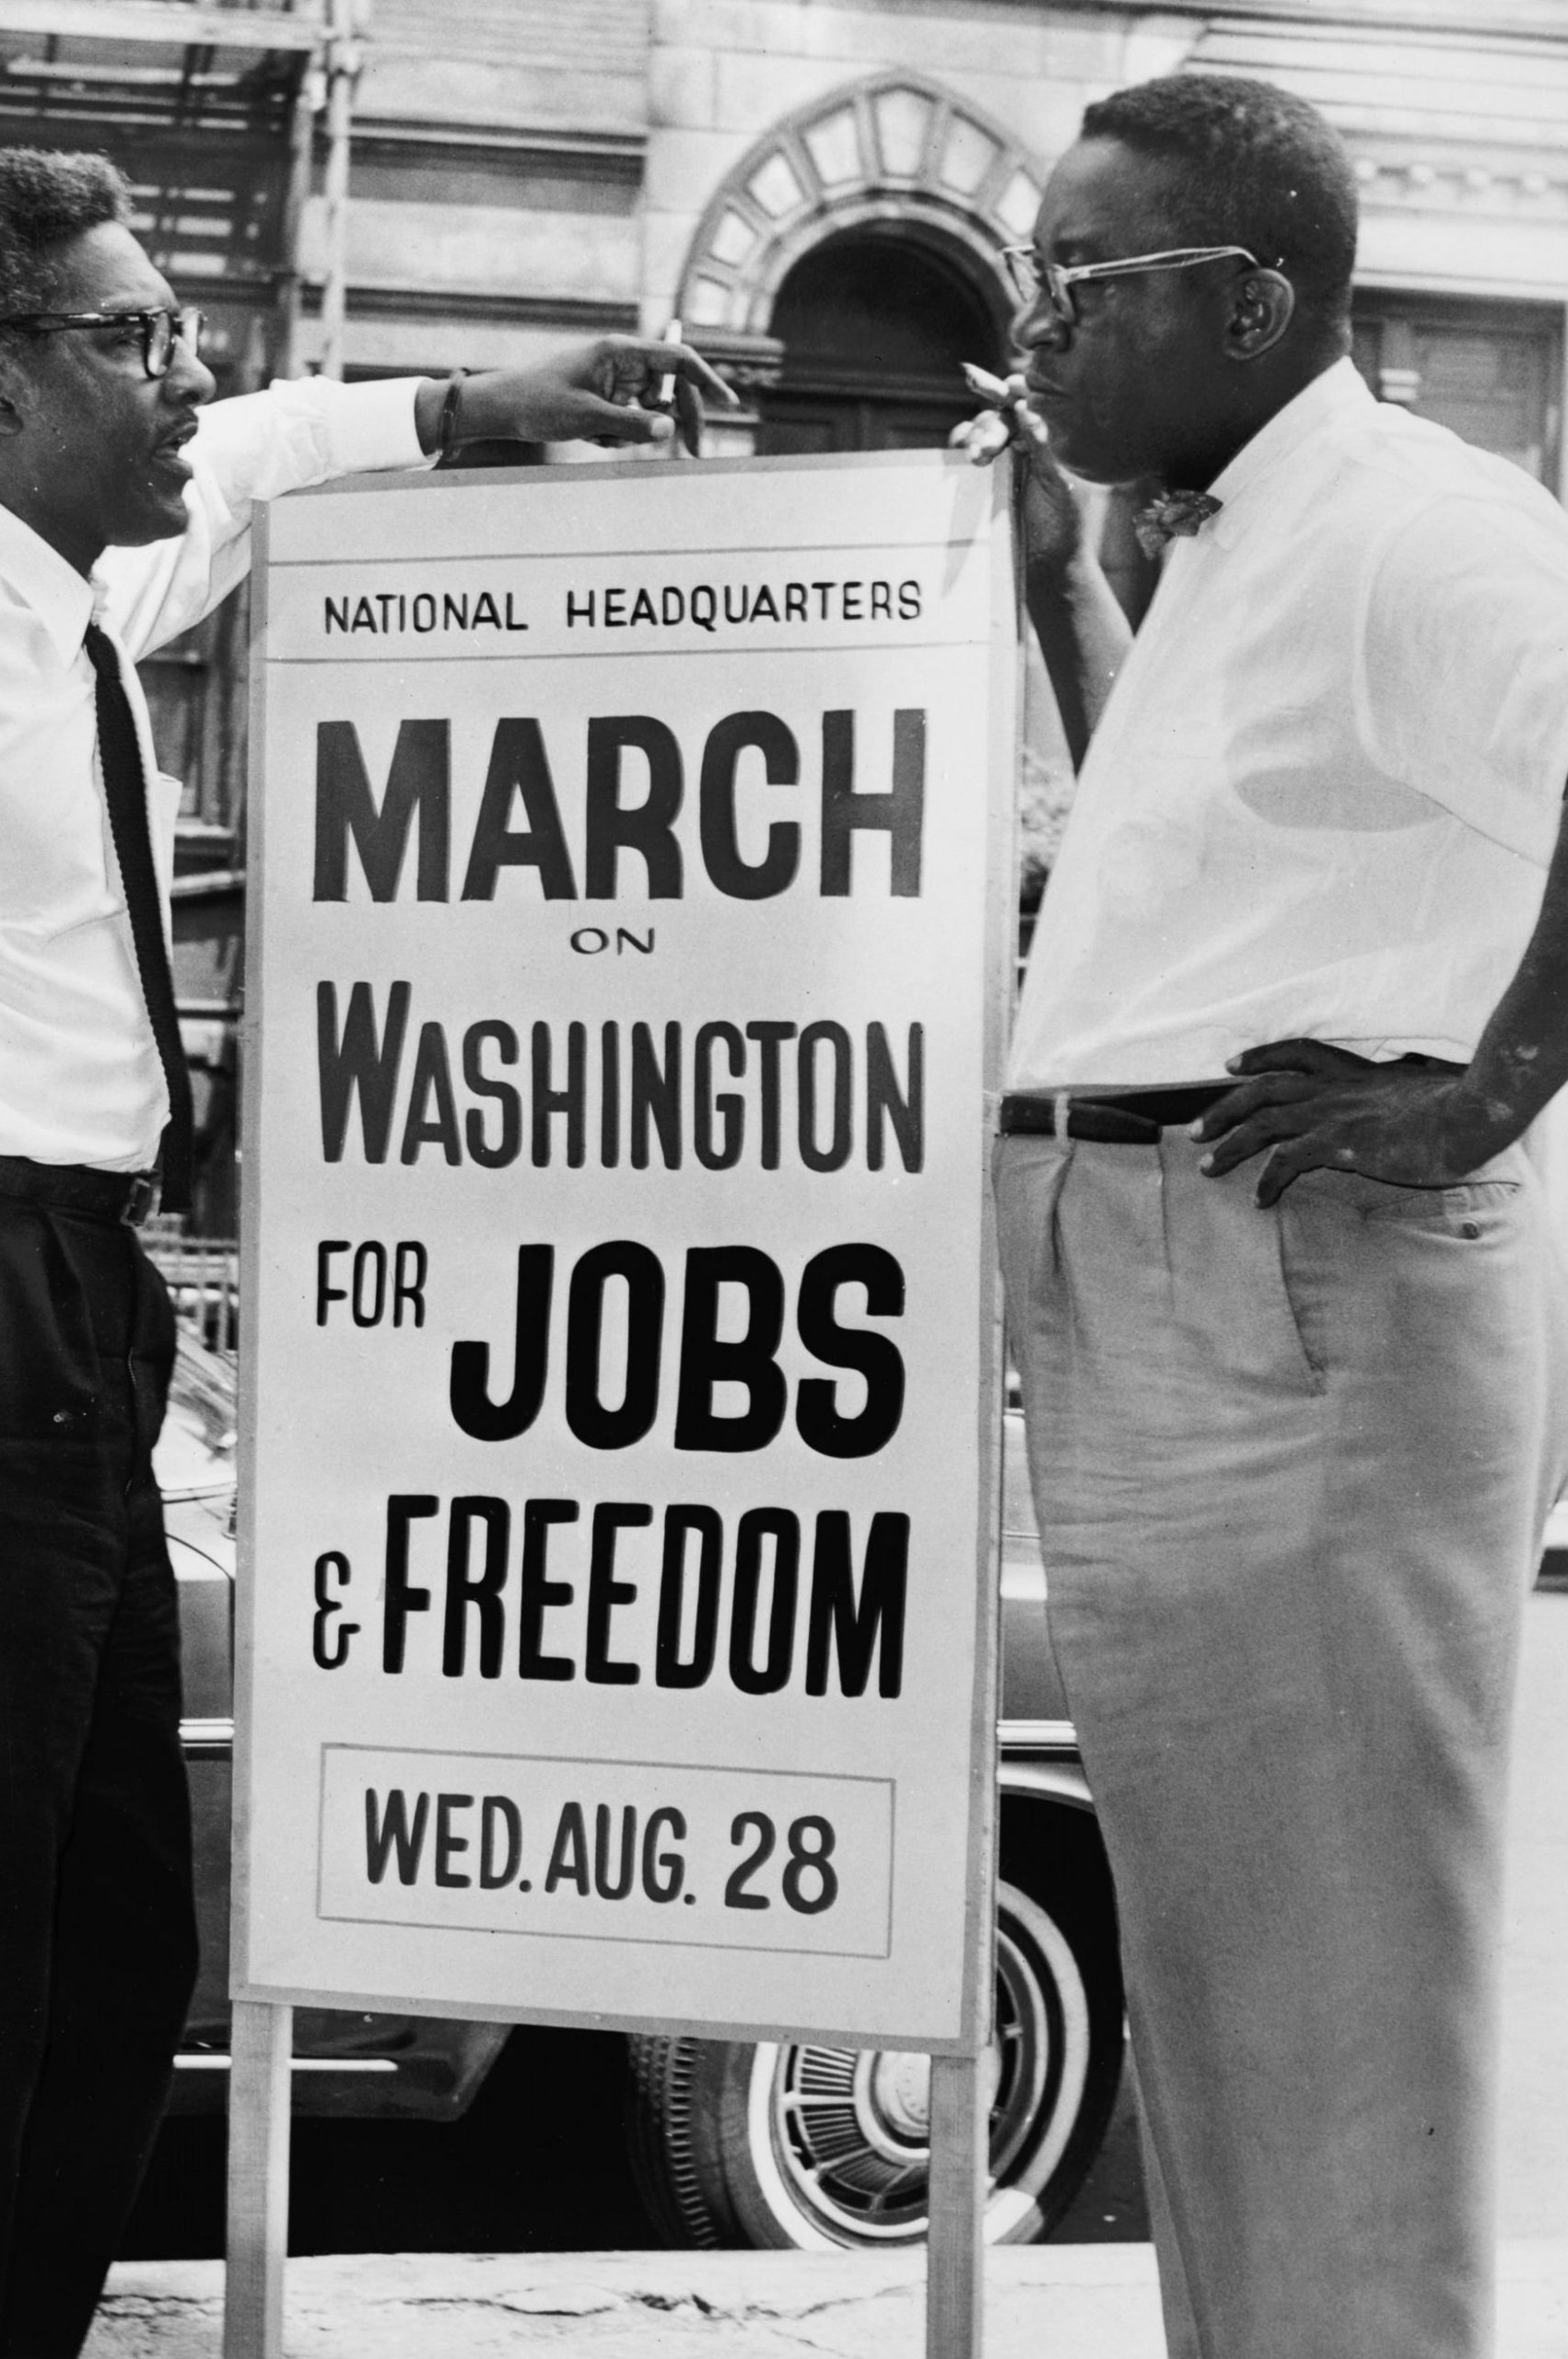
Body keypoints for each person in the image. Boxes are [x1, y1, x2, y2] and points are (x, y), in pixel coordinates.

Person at [0, 146, 728, 2359]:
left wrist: (465, 407)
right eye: (135, 338)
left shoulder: (62, 592)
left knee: (93, 1958)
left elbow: (254, 458)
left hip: (65, 1303)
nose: (195, 373)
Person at [965, 73, 1568, 2359]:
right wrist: (1049, 592)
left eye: (1082, 287)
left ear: (1246, 297)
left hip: (1293, 1301)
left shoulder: (1419, 524)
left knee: (1335, 2013)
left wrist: (1486, 1089)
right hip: (1173, 1293)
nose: (1036, 333)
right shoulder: (1223, 535)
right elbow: (1221, 856)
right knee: (1228, 2005)